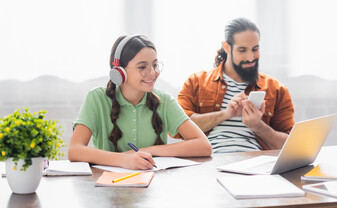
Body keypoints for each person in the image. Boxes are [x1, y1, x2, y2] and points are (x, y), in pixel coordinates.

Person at [68, 34, 212, 170]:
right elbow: (75, 150)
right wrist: (124, 160)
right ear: (119, 72)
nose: (152, 73)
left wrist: (145, 151)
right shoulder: (97, 99)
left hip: (153, 185)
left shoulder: (164, 101)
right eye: (142, 67)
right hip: (109, 186)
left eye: (155, 65)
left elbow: (204, 146)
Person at [177, 18, 294, 153]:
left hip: (256, 164)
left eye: (255, 49)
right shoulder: (196, 82)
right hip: (210, 162)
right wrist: (225, 115)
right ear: (227, 47)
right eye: (242, 50)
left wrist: (258, 125)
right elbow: (179, 127)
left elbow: (289, 145)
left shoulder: (277, 89)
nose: (250, 57)